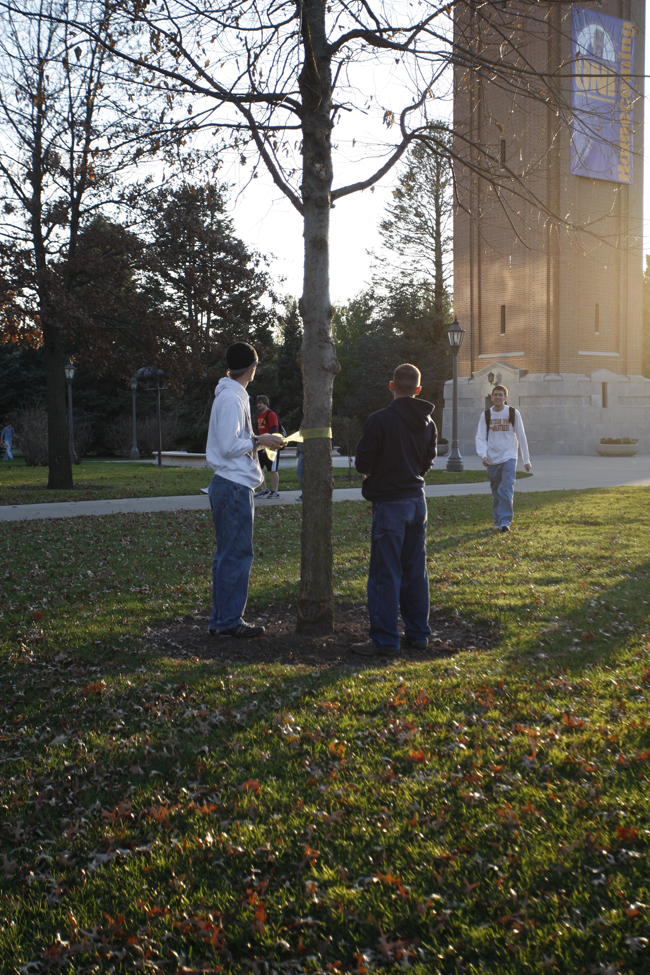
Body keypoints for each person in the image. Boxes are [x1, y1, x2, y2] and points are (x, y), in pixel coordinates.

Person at [353, 363, 437, 658]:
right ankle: (418, 634)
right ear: (417, 390)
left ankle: (385, 640)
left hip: (390, 503)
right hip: (417, 500)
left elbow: (363, 462)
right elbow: (429, 459)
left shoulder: (380, 420)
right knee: (416, 571)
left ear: (391, 386)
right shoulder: (428, 422)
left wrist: (373, 474)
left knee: (385, 573)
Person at [205, 343, 285, 637]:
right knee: (236, 555)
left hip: (233, 485)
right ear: (252, 367)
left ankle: (221, 620)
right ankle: (228, 622)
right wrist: (259, 441)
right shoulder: (230, 399)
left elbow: (234, 439)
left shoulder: (233, 395)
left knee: (229, 555)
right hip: (233, 486)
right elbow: (228, 447)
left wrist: (260, 438)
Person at [475, 383, 531, 533]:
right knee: (496, 491)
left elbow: (521, 436)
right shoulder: (486, 415)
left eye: (501, 395)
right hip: (492, 458)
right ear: (492, 398)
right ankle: (497, 519)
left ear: (506, 398)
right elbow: (480, 437)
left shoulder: (513, 413)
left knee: (506, 488)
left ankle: (505, 521)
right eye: (496, 395)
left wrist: (526, 460)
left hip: (509, 456)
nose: (498, 397)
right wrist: (483, 455)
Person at [255, 394, 282, 499]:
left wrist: (270, 446)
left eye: (261, 403)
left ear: (266, 403)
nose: (259, 405)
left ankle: (275, 491)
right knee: (259, 468)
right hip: (261, 446)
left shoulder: (271, 414)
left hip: (271, 446)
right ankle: (263, 489)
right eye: (257, 403)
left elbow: (274, 431)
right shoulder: (259, 416)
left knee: (272, 469)